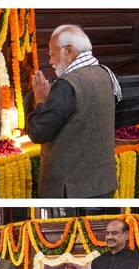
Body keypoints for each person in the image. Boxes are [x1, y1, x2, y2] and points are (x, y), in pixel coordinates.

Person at [26, 24, 120, 198]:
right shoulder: (104, 73)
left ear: (68, 51)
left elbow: (39, 133)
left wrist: (39, 100)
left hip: (72, 187)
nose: (51, 61)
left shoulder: (67, 84)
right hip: (101, 182)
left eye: (52, 54)